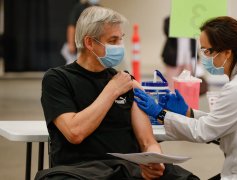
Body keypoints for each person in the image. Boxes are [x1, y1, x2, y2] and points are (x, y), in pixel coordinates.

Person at [134, 16, 237, 180]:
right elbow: (222, 121)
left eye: (207, 51)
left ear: (227, 52)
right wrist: (188, 112)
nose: (204, 56)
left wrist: (160, 114)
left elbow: (204, 132)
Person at [38, 6, 198, 180]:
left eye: (120, 39)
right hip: (82, 171)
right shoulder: (58, 79)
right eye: (112, 40)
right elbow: (75, 132)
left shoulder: (126, 82)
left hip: (129, 170)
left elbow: (147, 141)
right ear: (89, 42)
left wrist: (154, 160)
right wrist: (112, 91)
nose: (119, 46)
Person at [161, 16, 197, 90]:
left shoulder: (191, 21)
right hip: (173, 58)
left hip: (188, 59)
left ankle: (185, 100)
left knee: (188, 85)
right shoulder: (169, 20)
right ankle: (172, 100)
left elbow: (194, 39)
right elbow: (167, 32)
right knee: (171, 85)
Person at [62, 0, 99, 64]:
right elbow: (71, 25)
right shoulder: (79, 8)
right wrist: (71, 44)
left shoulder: (100, 9)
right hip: (80, 45)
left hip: (95, 44)